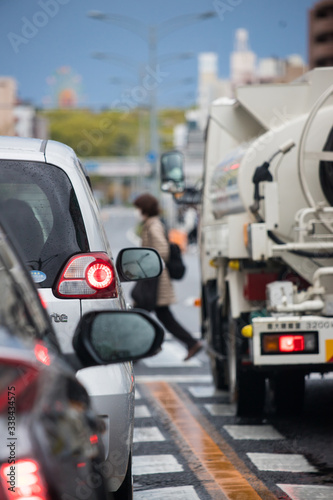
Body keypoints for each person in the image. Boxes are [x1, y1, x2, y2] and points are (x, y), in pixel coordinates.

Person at [133, 193, 203, 361]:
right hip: (153, 279)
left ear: (144, 208)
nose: (136, 211)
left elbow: (162, 250)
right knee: (159, 315)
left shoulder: (153, 225)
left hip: (154, 280)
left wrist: (145, 260)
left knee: (139, 315)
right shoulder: (152, 224)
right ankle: (191, 343)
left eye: (137, 208)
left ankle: (136, 351)